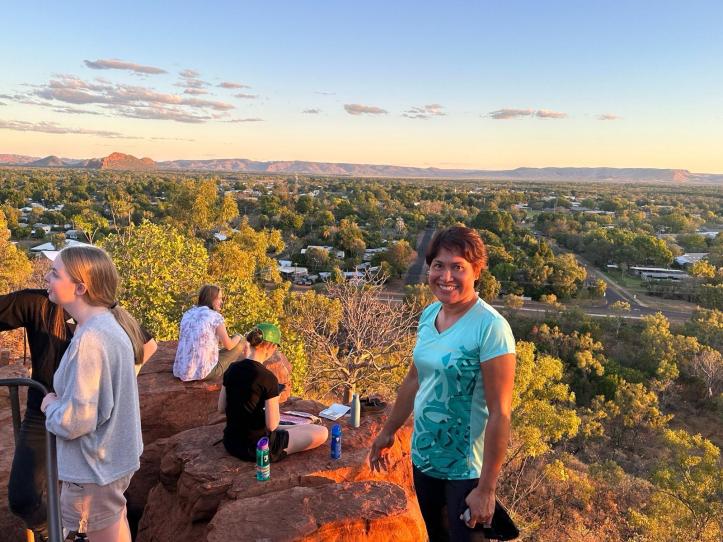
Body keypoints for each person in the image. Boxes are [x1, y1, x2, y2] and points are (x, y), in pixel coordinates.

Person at [369, 226, 517, 542]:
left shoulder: (491, 328)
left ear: (477, 271)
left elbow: (500, 413)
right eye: (438, 265)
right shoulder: (429, 314)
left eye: (457, 266)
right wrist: (387, 432)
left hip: (466, 471)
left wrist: (486, 489)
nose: (445, 275)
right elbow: (413, 379)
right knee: (434, 536)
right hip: (424, 459)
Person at [1, 286, 156, 539]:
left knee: (105, 503)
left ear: (80, 283)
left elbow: (148, 346)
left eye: (55, 272)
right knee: (23, 497)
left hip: (87, 419)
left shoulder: (102, 319)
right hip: (43, 413)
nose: (47, 277)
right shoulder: (37, 303)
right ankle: (58, 531)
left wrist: (118, 386)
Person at [39, 245, 145, 542]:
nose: (47, 278)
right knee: (115, 523)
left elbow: (77, 420)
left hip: (94, 471)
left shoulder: (91, 339)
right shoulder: (106, 327)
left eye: (55, 273)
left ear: (81, 288)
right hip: (110, 463)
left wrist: (50, 407)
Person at [219, 323, 328, 462]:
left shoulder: (232, 368)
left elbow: (221, 408)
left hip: (231, 443)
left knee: (304, 427)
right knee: (321, 432)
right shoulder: (268, 378)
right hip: (259, 448)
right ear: (271, 347)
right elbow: (272, 425)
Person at [173, 284, 246, 381]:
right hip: (204, 373)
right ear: (211, 299)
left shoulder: (188, 313)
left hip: (181, 370)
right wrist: (239, 336)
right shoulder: (215, 316)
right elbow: (228, 345)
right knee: (241, 341)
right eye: (219, 298)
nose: (221, 301)